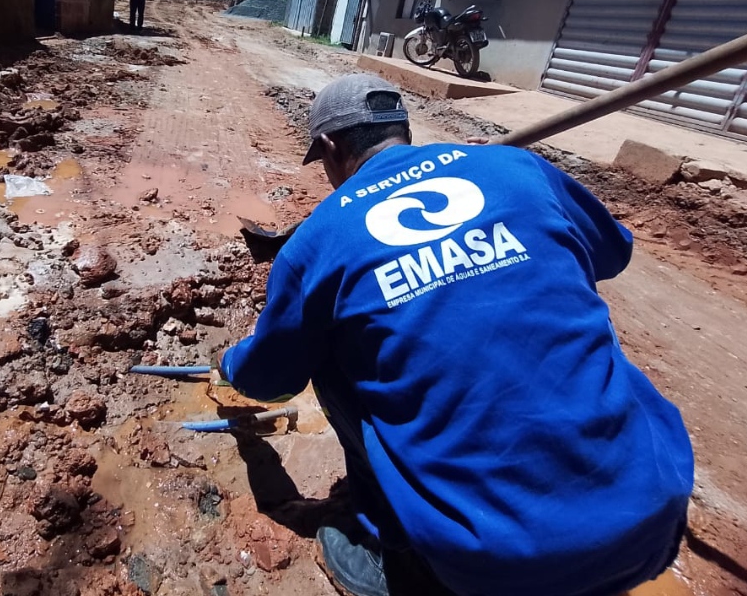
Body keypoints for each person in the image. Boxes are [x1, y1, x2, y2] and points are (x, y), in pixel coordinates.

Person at [218, 74, 693, 596]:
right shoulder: (518, 168)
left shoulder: (316, 243)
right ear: (401, 128)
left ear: (330, 147)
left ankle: (397, 555)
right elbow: (611, 253)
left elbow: (270, 380)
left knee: (329, 354)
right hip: (655, 512)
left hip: (495, 567)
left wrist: (229, 364)